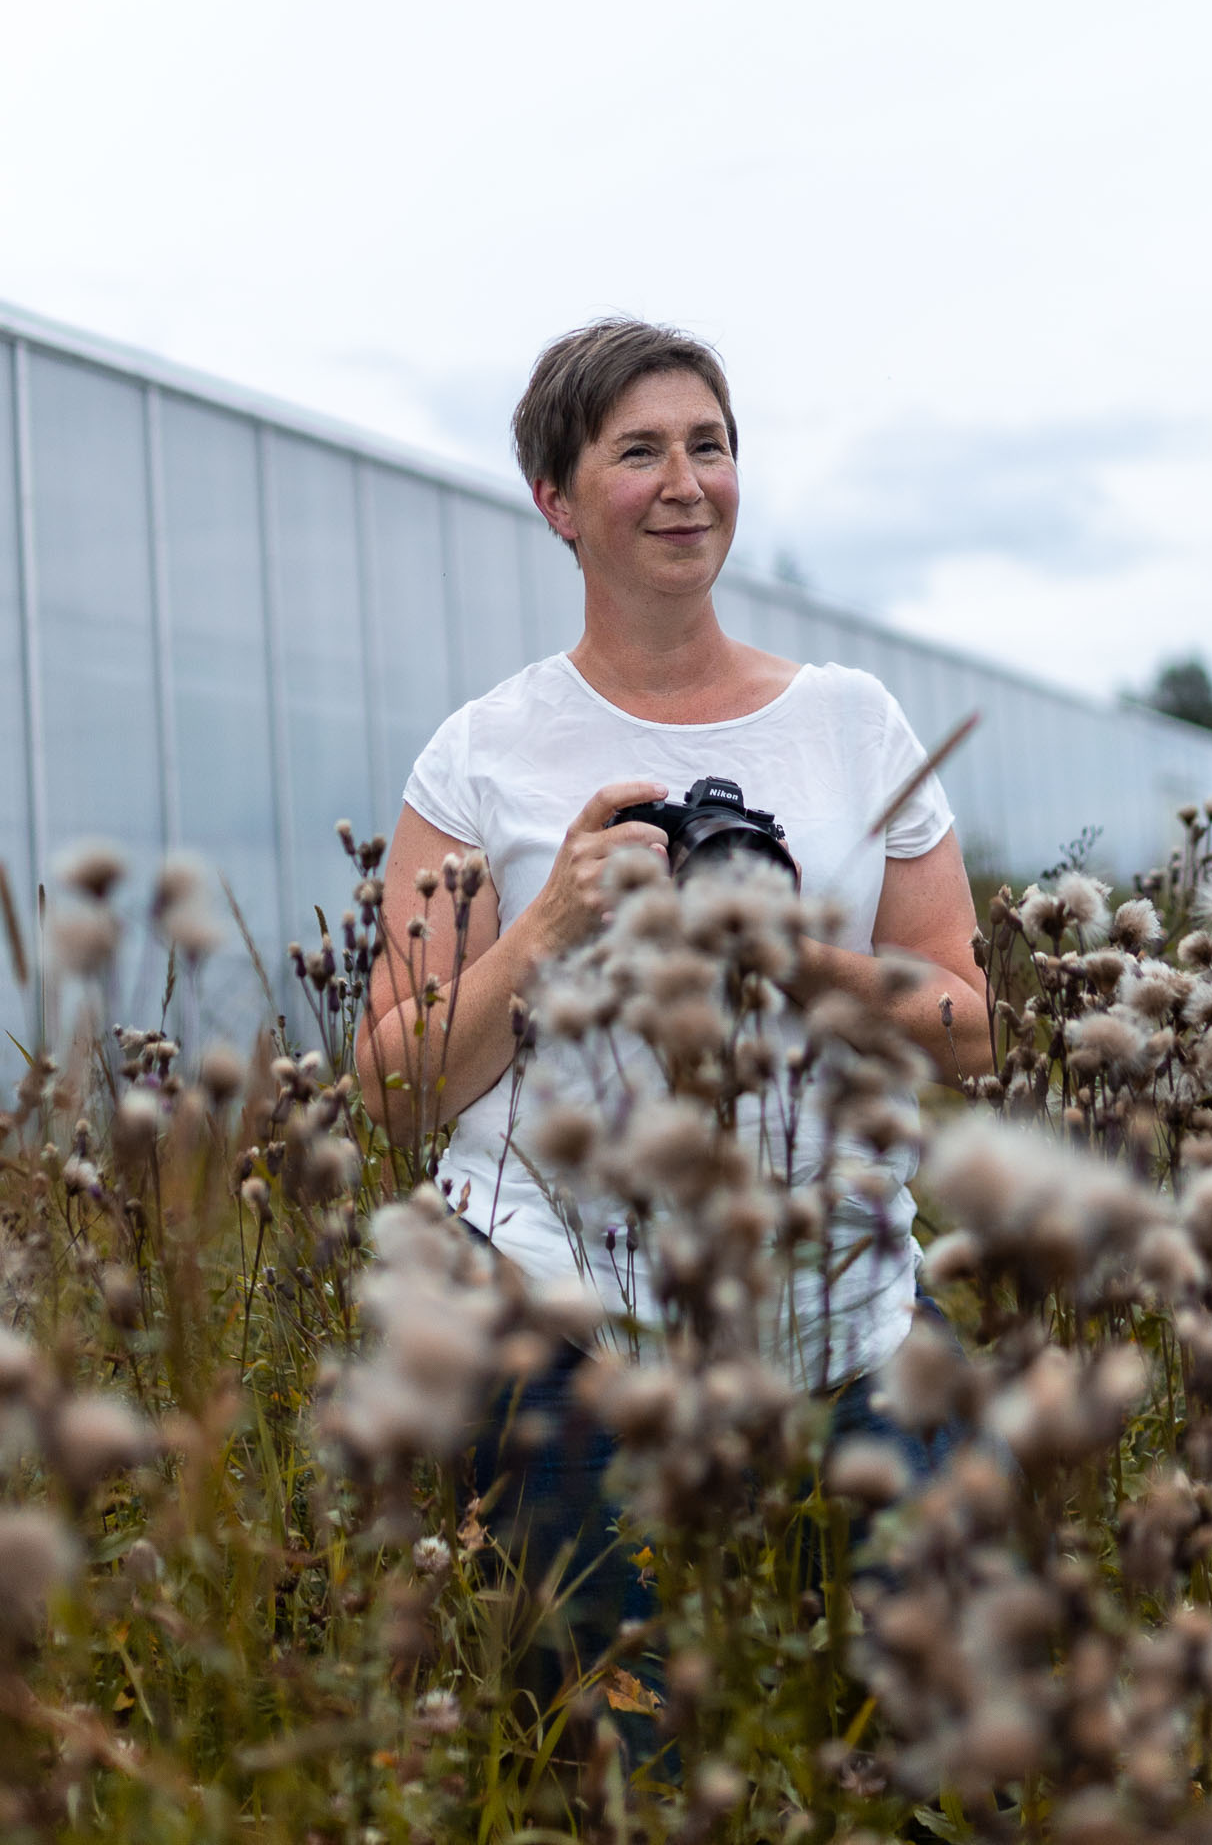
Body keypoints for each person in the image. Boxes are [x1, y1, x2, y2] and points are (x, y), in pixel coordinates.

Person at [355, 317, 991, 1690]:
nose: (685, 481)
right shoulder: (481, 756)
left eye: (710, 445)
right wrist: (555, 922)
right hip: (559, 1302)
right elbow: (391, 1086)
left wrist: (792, 949)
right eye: (638, 452)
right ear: (558, 503)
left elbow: (966, 1020)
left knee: (929, 1714)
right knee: (613, 1741)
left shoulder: (850, 723)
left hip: (843, 1288)